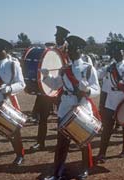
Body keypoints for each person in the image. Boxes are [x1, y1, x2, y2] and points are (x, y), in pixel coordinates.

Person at [41, 35, 100, 180]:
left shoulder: (88, 68)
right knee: (62, 143)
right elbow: (56, 85)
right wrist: (46, 77)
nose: (70, 52)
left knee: (83, 141)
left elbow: (97, 89)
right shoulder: (64, 68)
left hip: (82, 106)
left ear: (80, 50)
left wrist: (87, 91)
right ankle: (57, 173)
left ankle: (85, 169)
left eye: (74, 49)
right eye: (69, 49)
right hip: (66, 107)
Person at [30, 26, 70, 151]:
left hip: (63, 88)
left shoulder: (69, 51)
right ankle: (40, 142)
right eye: (56, 36)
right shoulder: (50, 51)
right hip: (49, 87)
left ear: (64, 38)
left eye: (59, 37)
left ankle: (65, 143)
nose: (57, 38)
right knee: (43, 117)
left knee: (65, 117)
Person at [0, 38, 26, 165]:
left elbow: (21, 84)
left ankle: (20, 155)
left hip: (7, 101)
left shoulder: (13, 64)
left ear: (5, 50)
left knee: (13, 131)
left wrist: (9, 88)